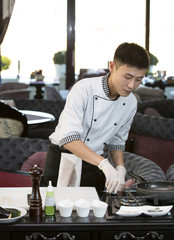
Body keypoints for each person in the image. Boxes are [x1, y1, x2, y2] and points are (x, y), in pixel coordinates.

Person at [41, 42, 150, 193]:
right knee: (54, 211)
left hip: (93, 164)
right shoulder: (84, 89)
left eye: (139, 79)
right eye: (127, 76)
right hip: (64, 159)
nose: (132, 85)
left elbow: (117, 141)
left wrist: (119, 168)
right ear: (112, 66)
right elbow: (69, 138)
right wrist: (105, 165)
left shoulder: (131, 102)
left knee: (92, 213)